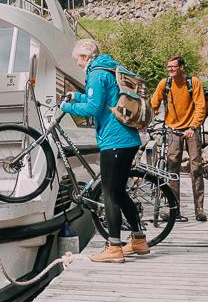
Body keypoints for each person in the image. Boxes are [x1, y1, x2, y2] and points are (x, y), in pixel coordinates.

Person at [62, 39, 146, 263]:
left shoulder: (96, 74)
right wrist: (76, 96)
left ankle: (115, 247)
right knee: (119, 192)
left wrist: (66, 106)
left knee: (109, 193)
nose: (78, 65)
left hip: (114, 141)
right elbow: (99, 98)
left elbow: (93, 108)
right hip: (127, 139)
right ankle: (139, 239)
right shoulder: (108, 68)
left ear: (85, 57)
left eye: (78, 60)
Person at [149, 55, 208, 222]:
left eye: (173, 67)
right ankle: (173, 208)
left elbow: (200, 106)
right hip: (173, 130)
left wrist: (193, 127)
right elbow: (154, 104)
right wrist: (144, 121)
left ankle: (199, 208)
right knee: (172, 169)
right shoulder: (165, 83)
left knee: (195, 168)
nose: (170, 70)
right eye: (168, 68)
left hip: (191, 130)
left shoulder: (193, 82)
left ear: (181, 67)